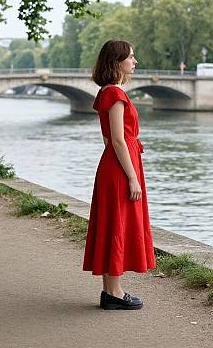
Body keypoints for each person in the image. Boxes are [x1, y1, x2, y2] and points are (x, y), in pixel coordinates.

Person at [83, 40, 155, 310]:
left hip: (113, 165)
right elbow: (117, 139)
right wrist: (132, 176)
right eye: (131, 58)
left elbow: (107, 140)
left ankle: (110, 291)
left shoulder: (106, 92)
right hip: (122, 167)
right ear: (117, 62)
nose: (135, 62)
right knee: (118, 225)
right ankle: (114, 293)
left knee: (112, 223)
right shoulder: (115, 94)